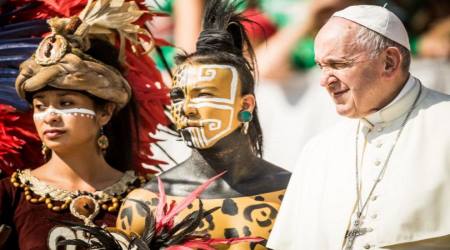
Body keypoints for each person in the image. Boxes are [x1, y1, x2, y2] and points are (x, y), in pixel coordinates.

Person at [268, 5, 450, 250]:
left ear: (389, 62)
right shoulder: (318, 151)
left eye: (338, 64)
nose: (325, 80)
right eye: (321, 66)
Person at [117, 0, 291, 249]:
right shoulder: (146, 203)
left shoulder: (293, 192)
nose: (186, 108)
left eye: (204, 95)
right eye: (178, 96)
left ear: (246, 105)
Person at [0, 0, 169, 249]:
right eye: (40, 106)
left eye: (66, 103)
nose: (50, 116)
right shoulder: (9, 196)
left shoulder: (150, 196)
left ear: (105, 113)